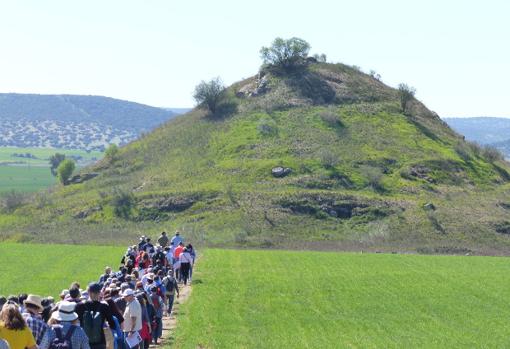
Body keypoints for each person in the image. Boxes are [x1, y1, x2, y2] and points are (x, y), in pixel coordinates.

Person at [75, 283, 116, 349]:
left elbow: (74, 322)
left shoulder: (79, 306)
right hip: (100, 342)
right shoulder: (104, 307)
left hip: (84, 342)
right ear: (99, 293)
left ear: (88, 292)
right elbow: (112, 324)